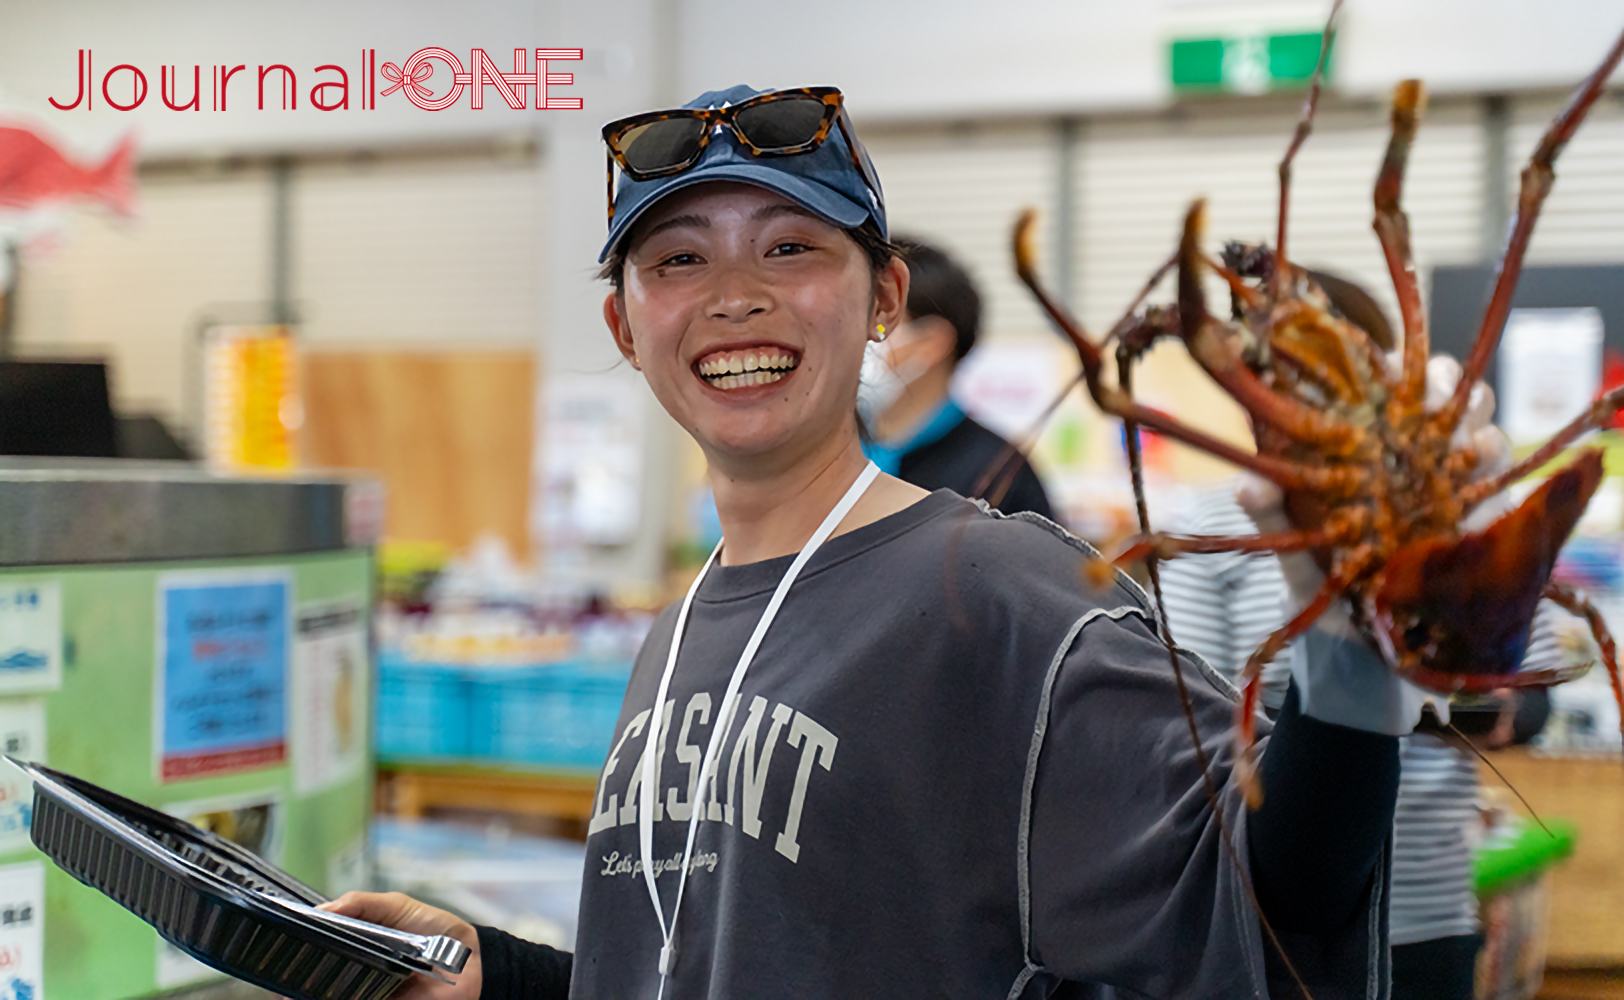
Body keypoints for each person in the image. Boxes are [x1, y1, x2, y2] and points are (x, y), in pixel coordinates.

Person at [325, 83, 1442, 999]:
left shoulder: (1003, 596)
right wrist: (497, 974)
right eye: (677, 261)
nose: (734, 297)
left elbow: (1268, 890)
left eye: (791, 248)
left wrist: (1351, 647)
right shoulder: (678, 630)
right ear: (626, 326)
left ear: (883, 301)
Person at [1160, 356, 1560, 1000]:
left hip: (1428, 908)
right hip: (1268, 920)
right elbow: (1189, 725)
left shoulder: (1456, 507)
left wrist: (1449, 692)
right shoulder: (1210, 520)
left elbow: (1532, 700)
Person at [858, 237, 1054, 517]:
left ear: (931, 342)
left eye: (877, 321)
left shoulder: (1000, 472)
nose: (857, 336)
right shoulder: (817, 454)